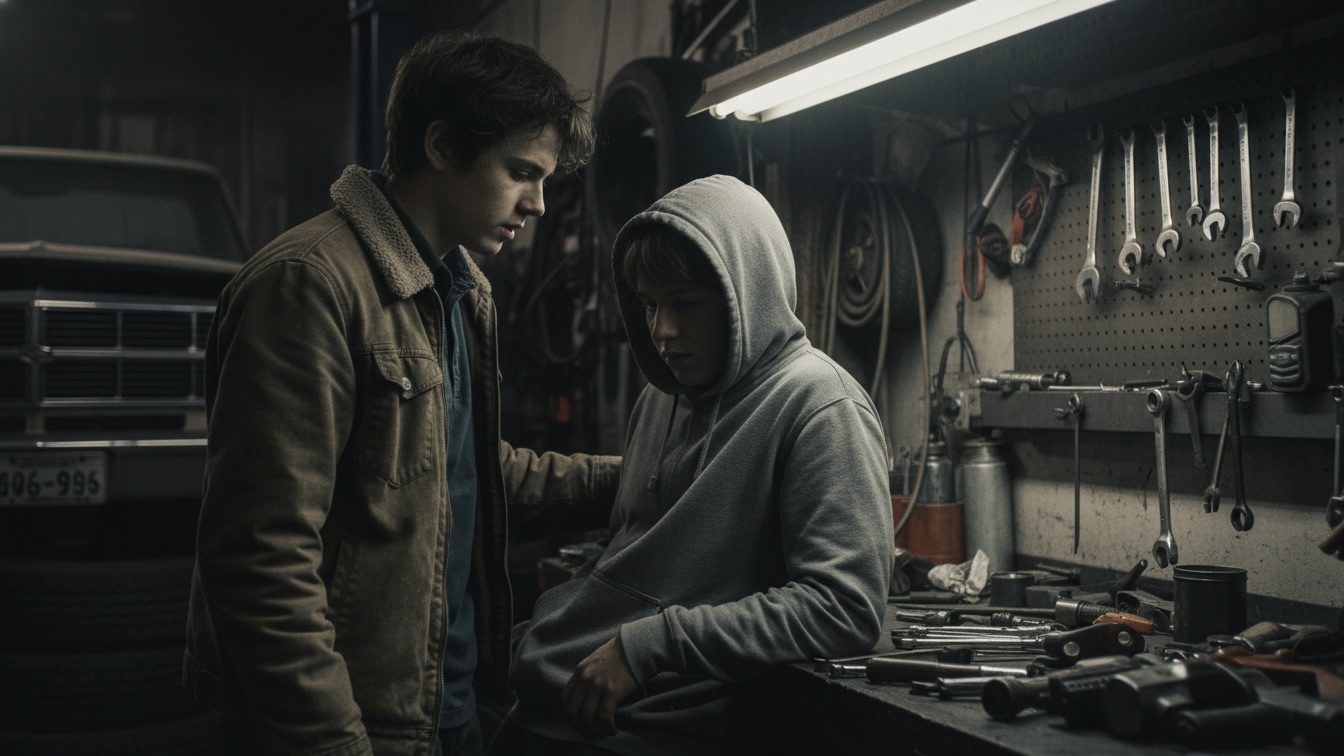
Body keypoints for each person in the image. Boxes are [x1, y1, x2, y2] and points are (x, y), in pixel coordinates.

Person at [182, 31, 620, 756]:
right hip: (355, 720)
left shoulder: (458, 290)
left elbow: (462, 469)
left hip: (446, 702)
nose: (539, 204)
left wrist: (638, 477)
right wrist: (334, 742)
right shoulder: (308, 286)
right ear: (443, 146)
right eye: (520, 172)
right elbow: (261, 556)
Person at [509, 175, 895, 753]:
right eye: (649, 305)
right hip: (546, 688)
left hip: (642, 725)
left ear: (748, 290)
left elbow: (843, 608)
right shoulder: (662, 395)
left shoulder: (820, 405)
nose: (662, 331)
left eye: (686, 304)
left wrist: (650, 645)